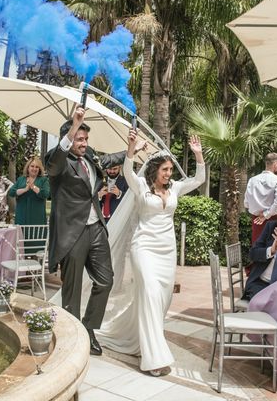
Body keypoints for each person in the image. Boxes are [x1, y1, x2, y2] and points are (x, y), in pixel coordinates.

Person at [98, 130, 205, 376]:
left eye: (170, 170)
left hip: (167, 251)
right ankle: (153, 357)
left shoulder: (176, 188)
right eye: (165, 170)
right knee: (149, 293)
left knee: (161, 301)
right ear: (155, 169)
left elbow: (198, 180)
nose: (169, 174)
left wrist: (198, 156)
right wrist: (131, 150)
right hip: (143, 247)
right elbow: (127, 172)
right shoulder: (141, 186)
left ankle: (136, 340)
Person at [45, 107, 144, 357]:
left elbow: (109, 160)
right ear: (69, 138)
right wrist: (75, 124)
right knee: (73, 288)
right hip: (72, 232)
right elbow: (55, 162)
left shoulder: (88, 156)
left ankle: (88, 328)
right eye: (79, 138)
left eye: (85, 139)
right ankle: (71, 335)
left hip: (96, 228)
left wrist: (134, 148)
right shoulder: (57, 161)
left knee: (106, 280)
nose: (84, 143)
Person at [244, 153, 277, 244]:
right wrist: (266, 214)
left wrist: (260, 212)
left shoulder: (252, 180)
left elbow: (246, 203)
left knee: (257, 249)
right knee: (272, 250)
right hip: (273, 220)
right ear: (276, 164)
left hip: (256, 219)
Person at [8, 157, 50, 226]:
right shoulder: (21, 179)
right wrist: (25, 190)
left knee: (36, 235)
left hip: (37, 216)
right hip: (21, 215)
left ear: (39, 169)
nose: (34, 169)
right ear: (28, 167)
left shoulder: (44, 180)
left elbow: (46, 194)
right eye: (32, 166)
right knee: (21, 235)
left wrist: (33, 186)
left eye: (37, 167)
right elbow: (11, 192)